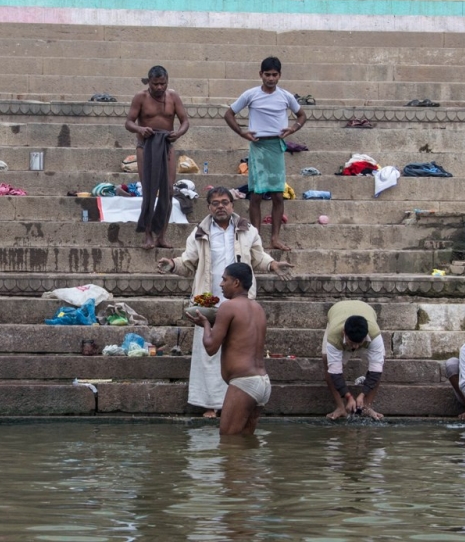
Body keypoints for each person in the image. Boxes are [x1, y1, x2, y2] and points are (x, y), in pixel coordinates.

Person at [157, 186, 293, 418]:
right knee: (208, 352)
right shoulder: (199, 232)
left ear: (232, 205)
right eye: (215, 203)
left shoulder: (247, 230)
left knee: (238, 350)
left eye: (224, 202)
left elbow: (259, 257)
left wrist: (273, 265)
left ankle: (233, 402)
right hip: (208, 301)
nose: (220, 206)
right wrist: (172, 264)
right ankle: (210, 405)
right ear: (209, 207)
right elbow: (188, 262)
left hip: (240, 303)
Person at [224, 57, 306, 252]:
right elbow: (229, 114)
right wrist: (242, 132)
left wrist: (293, 129)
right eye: (267, 74)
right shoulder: (250, 94)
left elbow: (302, 115)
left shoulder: (286, 96)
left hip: (276, 146)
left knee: (278, 194)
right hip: (258, 147)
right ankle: (256, 239)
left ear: (279, 76)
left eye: (274, 75)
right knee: (256, 195)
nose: (270, 78)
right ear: (261, 74)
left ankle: (275, 238)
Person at [186, 263, 270, 436]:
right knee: (246, 444)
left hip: (244, 383)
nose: (221, 284)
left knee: (228, 442)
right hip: (263, 383)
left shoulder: (228, 306)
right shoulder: (258, 308)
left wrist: (205, 324)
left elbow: (210, 347)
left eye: (225, 279)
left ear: (236, 282)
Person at [125, 65, 190, 250]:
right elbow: (128, 122)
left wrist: (178, 134)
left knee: (168, 191)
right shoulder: (141, 97)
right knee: (149, 190)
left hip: (167, 144)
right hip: (146, 145)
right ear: (149, 82)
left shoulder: (173, 97)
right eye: (156, 84)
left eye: (163, 84)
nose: (160, 87)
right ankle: (147, 235)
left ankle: (161, 235)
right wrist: (140, 129)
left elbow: (185, 120)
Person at [323, 300, 386, 421]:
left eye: (359, 343)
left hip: (367, 312)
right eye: (351, 343)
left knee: (379, 362)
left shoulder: (374, 335)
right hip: (337, 314)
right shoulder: (334, 336)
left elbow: (376, 371)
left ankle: (367, 407)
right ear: (344, 333)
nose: (355, 348)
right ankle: (340, 407)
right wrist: (349, 397)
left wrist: (363, 394)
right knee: (327, 361)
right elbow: (335, 373)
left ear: (366, 335)